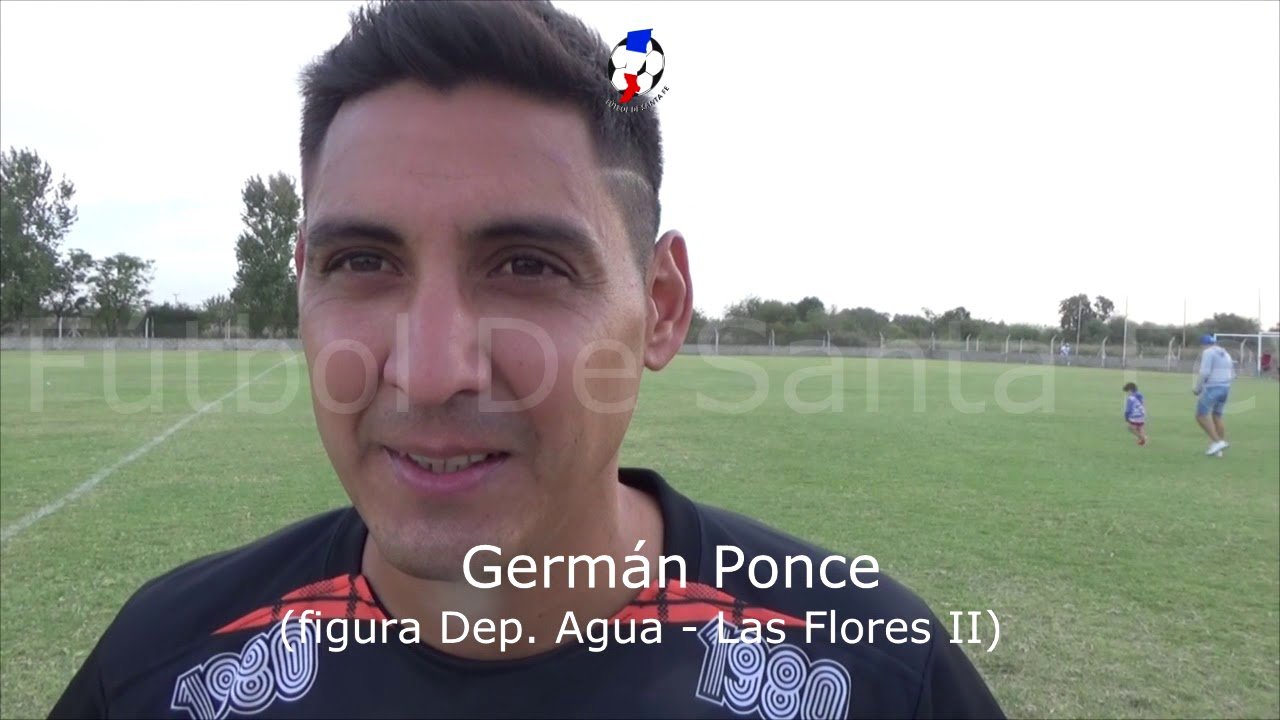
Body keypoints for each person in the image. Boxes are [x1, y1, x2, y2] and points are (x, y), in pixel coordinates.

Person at [49, 2, 1004, 718]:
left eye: (528, 267)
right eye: (363, 263)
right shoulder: (160, 672)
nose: (430, 373)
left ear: (661, 306)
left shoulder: (879, 678)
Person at [1193, 333, 1234, 456]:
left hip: (1213, 387)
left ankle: (1217, 442)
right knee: (1217, 416)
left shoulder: (1208, 352)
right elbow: (1233, 373)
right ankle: (1218, 450)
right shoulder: (1226, 354)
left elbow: (1205, 372)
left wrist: (1198, 388)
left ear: (1203, 344)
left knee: (1200, 415)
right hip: (1226, 387)